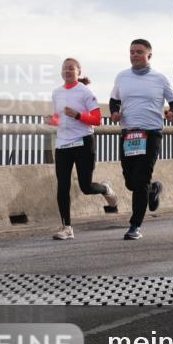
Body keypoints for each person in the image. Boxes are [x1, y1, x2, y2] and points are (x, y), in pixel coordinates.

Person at [109, 39, 173, 240]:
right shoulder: (122, 77)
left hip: (150, 133)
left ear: (149, 55)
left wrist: (172, 112)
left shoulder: (159, 78)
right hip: (129, 134)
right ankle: (153, 189)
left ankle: (135, 226)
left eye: (139, 52)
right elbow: (114, 100)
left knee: (140, 180)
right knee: (131, 182)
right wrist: (115, 112)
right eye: (131, 52)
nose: (134, 55)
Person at [47, 58, 117, 240]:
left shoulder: (85, 92)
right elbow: (58, 117)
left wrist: (78, 115)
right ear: (61, 72)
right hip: (63, 143)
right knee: (62, 186)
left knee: (85, 186)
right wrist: (52, 121)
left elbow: (97, 119)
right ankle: (66, 227)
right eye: (64, 68)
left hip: (83, 142)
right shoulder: (56, 93)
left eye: (71, 68)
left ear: (78, 72)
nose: (67, 71)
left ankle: (106, 189)